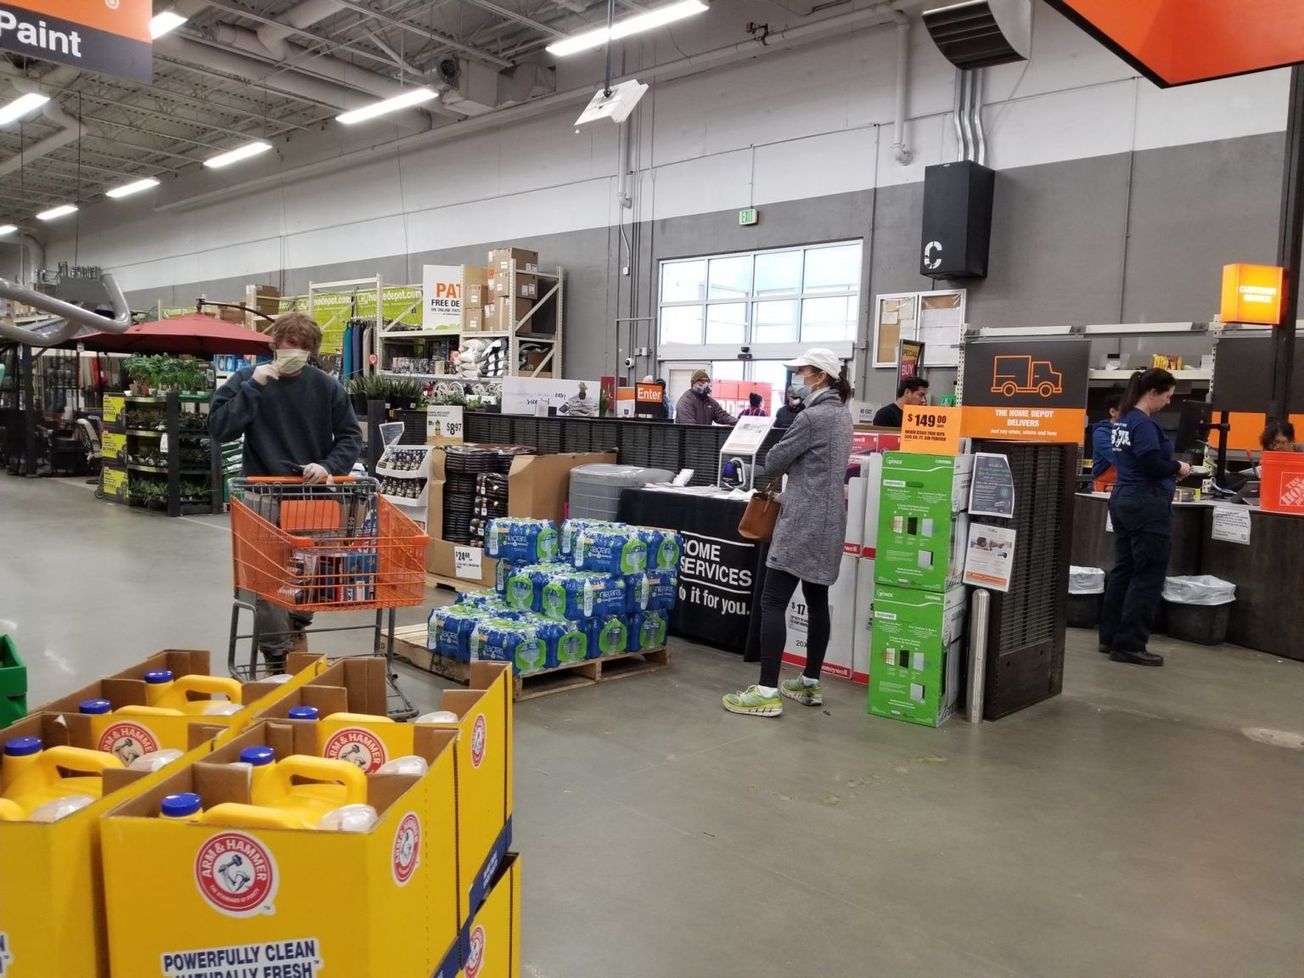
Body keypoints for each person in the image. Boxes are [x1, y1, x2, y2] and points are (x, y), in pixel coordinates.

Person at [210, 312, 363, 671]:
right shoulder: (248, 379)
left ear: (312, 351)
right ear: (275, 343)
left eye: (302, 347)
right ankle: (278, 657)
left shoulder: (326, 387)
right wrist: (253, 388)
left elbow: (350, 435)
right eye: (288, 344)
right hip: (262, 496)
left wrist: (328, 466)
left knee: (317, 572)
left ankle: (298, 621)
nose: (294, 351)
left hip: (313, 498)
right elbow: (220, 427)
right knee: (263, 580)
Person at [724, 347, 854, 717]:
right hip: (830, 522)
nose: (798, 378)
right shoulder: (843, 416)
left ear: (821, 376)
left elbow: (773, 461)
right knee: (817, 600)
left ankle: (766, 690)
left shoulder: (811, 417)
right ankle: (810, 682)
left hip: (801, 521)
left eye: (803, 371)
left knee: (773, 601)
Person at [1098, 368, 1191, 668]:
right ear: (1152, 392)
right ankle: (1130, 644)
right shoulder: (1144, 424)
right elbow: (1151, 464)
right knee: (1148, 574)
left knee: (1124, 569)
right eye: (1167, 396)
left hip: (1123, 498)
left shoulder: (1123, 420)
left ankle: (1110, 636)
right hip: (1146, 504)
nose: (1168, 402)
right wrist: (1178, 467)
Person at [1091, 393, 1123, 491]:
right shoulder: (1101, 433)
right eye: (1126, 411)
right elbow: (1118, 458)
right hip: (1104, 487)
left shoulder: (1133, 431)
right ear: (1113, 412)